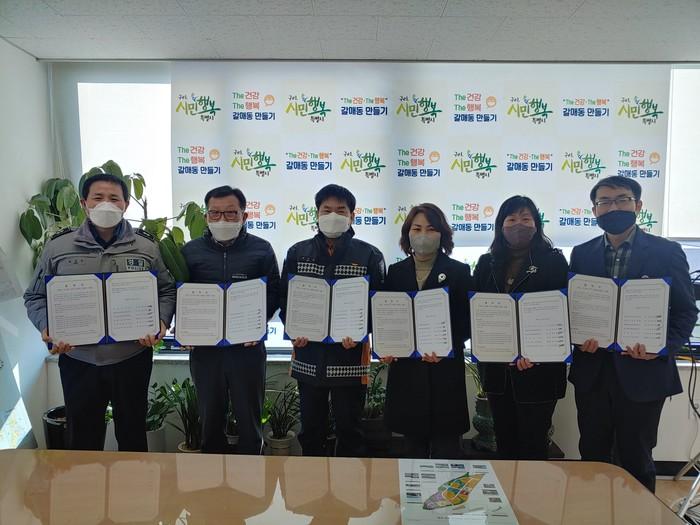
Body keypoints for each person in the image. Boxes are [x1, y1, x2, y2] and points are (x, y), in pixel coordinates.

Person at [24, 172, 176, 451]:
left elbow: (166, 290)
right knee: (82, 440)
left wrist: (161, 322)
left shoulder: (146, 247)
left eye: (114, 198)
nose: (106, 204)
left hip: (131, 357)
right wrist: (47, 327)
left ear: (125, 204)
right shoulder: (58, 248)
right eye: (98, 197)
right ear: (84, 203)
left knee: (132, 436)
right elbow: (35, 296)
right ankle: (86, 482)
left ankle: (133, 481)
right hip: (79, 359)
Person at [570, 176, 698, 492]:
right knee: (593, 456)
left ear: (638, 205)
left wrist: (662, 347)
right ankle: (594, 512)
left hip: (644, 374)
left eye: (622, 199)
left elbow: (685, 311)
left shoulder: (667, 252)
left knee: (636, 459)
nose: (613, 207)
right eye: (604, 202)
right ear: (594, 210)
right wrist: (578, 338)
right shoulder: (581, 253)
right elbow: (574, 310)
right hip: (593, 374)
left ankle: (638, 514)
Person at [280, 184, 386, 457]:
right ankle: (311, 483)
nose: (333, 216)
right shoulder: (297, 253)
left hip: (350, 358)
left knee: (350, 431)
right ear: (316, 214)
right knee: (311, 431)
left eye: (341, 210)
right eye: (326, 210)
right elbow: (285, 299)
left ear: (352, 216)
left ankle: (349, 484)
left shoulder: (369, 255)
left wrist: (362, 331)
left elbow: (378, 305)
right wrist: (293, 329)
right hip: (308, 356)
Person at [181, 185, 280, 455]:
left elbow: (274, 292)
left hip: (247, 350)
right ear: (206, 216)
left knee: (250, 423)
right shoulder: (190, 251)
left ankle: (252, 476)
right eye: (215, 213)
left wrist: (258, 322)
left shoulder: (261, 250)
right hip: (206, 352)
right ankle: (212, 478)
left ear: (244, 216)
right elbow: (180, 293)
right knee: (210, 422)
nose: (222, 219)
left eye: (230, 213)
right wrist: (185, 328)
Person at [472, 195, 569, 460]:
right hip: (497, 372)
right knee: (505, 443)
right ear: (500, 225)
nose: (518, 225)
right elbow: (476, 312)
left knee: (533, 444)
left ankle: (533, 489)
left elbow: (562, 314)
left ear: (537, 224)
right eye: (511, 219)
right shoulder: (486, 263)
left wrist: (538, 352)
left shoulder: (554, 261)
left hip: (539, 371)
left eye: (526, 218)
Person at [380, 203, 472, 459]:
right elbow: (388, 317)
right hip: (408, 373)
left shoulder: (459, 271)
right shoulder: (395, 272)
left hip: (445, 371)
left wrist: (446, 346)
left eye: (431, 229)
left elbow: (467, 321)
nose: (423, 235)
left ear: (442, 234)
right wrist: (388, 346)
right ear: (407, 233)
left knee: (448, 453)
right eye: (417, 228)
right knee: (411, 454)